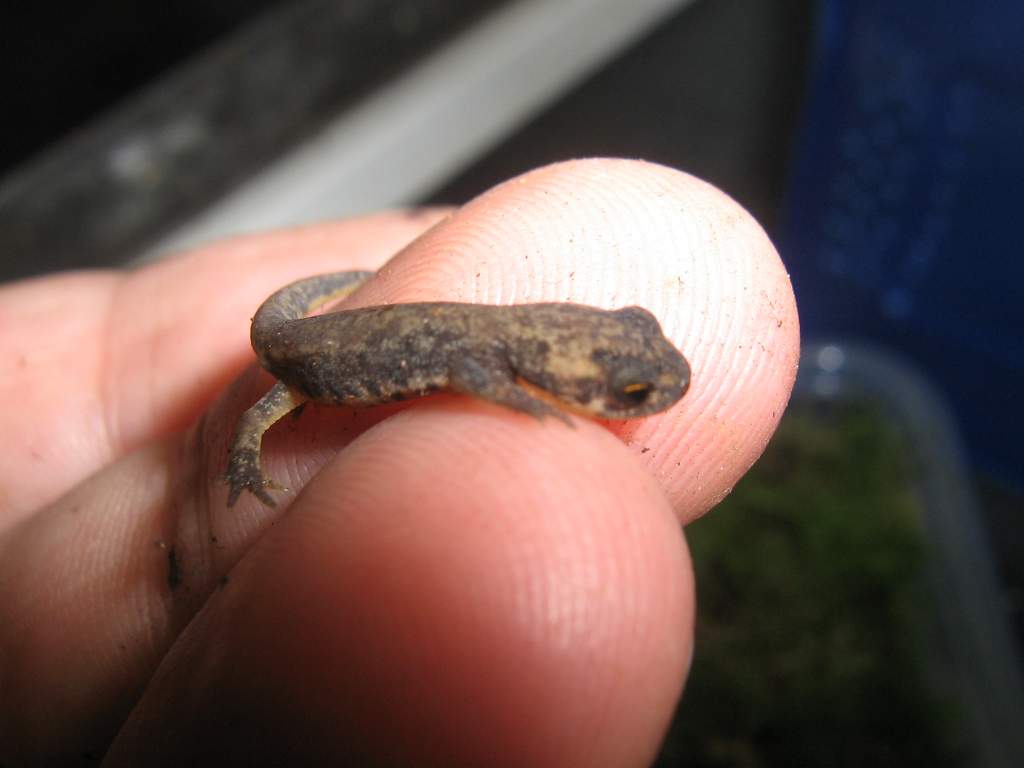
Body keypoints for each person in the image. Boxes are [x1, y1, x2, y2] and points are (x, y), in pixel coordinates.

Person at [0, 159, 799, 765]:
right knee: (268, 412)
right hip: (301, 358)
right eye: (630, 390)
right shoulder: (496, 355)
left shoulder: (516, 329)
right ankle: (246, 455)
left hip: (370, 337)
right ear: (561, 368)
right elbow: (463, 374)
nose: (644, 395)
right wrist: (522, 408)